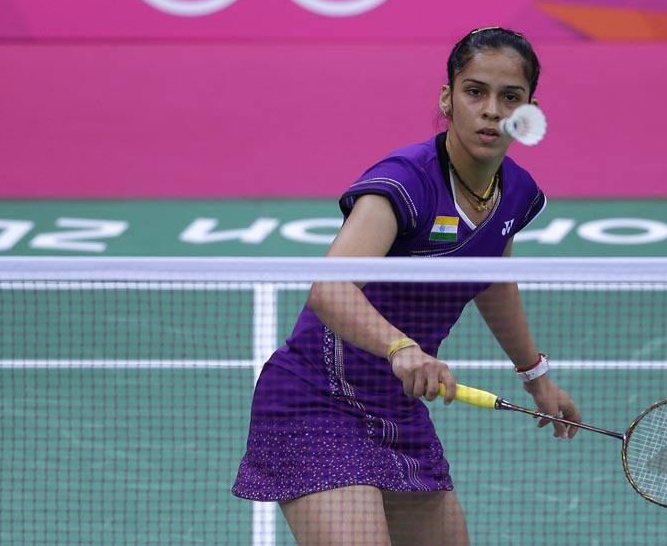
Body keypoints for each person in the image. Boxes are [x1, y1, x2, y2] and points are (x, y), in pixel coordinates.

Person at [233, 27, 581, 545]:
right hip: (317, 401)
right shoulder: (407, 181)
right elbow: (329, 289)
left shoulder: (517, 193)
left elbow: (491, 281)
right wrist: (401, 348)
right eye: (474, 91)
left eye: (509, 97)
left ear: (528, 111)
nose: (490, 110)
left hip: (395, 406)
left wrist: (536, 375)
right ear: (448, 97)